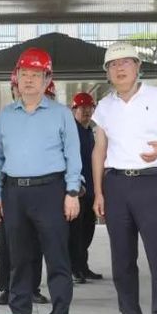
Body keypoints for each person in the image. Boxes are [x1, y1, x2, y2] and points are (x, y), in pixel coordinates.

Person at [93, 42, 157, 314]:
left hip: (151, 183)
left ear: (138, 67)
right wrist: (98, 192)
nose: (119, 68)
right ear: (107, 72)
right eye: (113, 65)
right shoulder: (104, 106)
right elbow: (99, 150)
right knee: (121, 258)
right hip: (116, 185)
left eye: (126, 62)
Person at [0, 48, 81, 314]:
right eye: (24, 74)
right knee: (19, 261)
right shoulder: (5, 115)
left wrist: (72, 192)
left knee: (57, 259)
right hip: (15, 193)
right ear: (16, 78)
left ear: (47, 79)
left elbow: (73, 156)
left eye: (36, 75)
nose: (29, 80)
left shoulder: (61, 114)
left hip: (51, 191)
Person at [0, 69, 46, 307]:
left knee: (35, 242)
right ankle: (7, 288)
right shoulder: (6, 117)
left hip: (39, 189)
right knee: (9, 244)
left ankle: (32, 287)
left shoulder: (45, 117)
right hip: (10, 188)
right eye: (16, 87)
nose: (21, 89)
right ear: (14, 90)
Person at [69, 92, 101, 284]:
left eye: (90, 108)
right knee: (76, 232)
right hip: (77, 190)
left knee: (88, 229)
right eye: (82, 108)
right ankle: (75, 269)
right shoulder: (71, 131)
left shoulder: (90, 131)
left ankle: (83, 266)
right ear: (74, 110)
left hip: (90, 190)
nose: (87, 111)